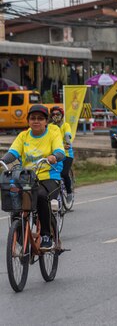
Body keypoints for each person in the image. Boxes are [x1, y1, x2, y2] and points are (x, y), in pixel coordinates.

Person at [1, 105, 65, 250]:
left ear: (46, 121)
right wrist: (3, 161)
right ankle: (19, 234)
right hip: (28, 178)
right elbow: (13, 153)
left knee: (41, 196)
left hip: (49, 177)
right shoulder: (23, 136)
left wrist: (54, 157)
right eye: (33, 118)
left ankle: (46, 235)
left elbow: (60, 151)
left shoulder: (53, 134)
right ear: (28, 120)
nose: (36, 121)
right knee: (14, 198)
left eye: (40, 118)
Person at [49, 105, 75, 202]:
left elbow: (68, 134)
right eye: (53, 114)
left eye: (58, 114)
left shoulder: (65, 125)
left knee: (64, 173)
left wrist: (68, 142)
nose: (56, 116)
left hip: (67, 154)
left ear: (62, 115)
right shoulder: (50, 127)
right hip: (54, 154)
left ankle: (69, 192)